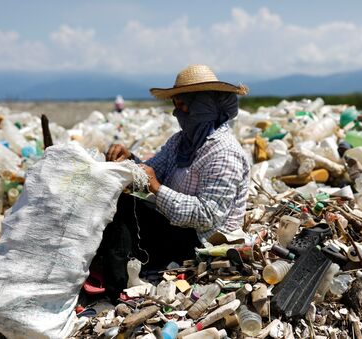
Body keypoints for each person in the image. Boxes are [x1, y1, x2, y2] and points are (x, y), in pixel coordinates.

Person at [95, 64, 250, 299]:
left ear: (206, 106)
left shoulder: (224, 153)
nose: (179, 114)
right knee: (120, 200)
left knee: (125, 210)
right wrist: (129, 161)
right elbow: (152, 171)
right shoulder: (181, 142)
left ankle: (117, 287)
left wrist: (156, 187)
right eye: (176, 106)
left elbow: (207, 216)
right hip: (175, 226)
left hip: (202, 243)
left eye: (185, 105)